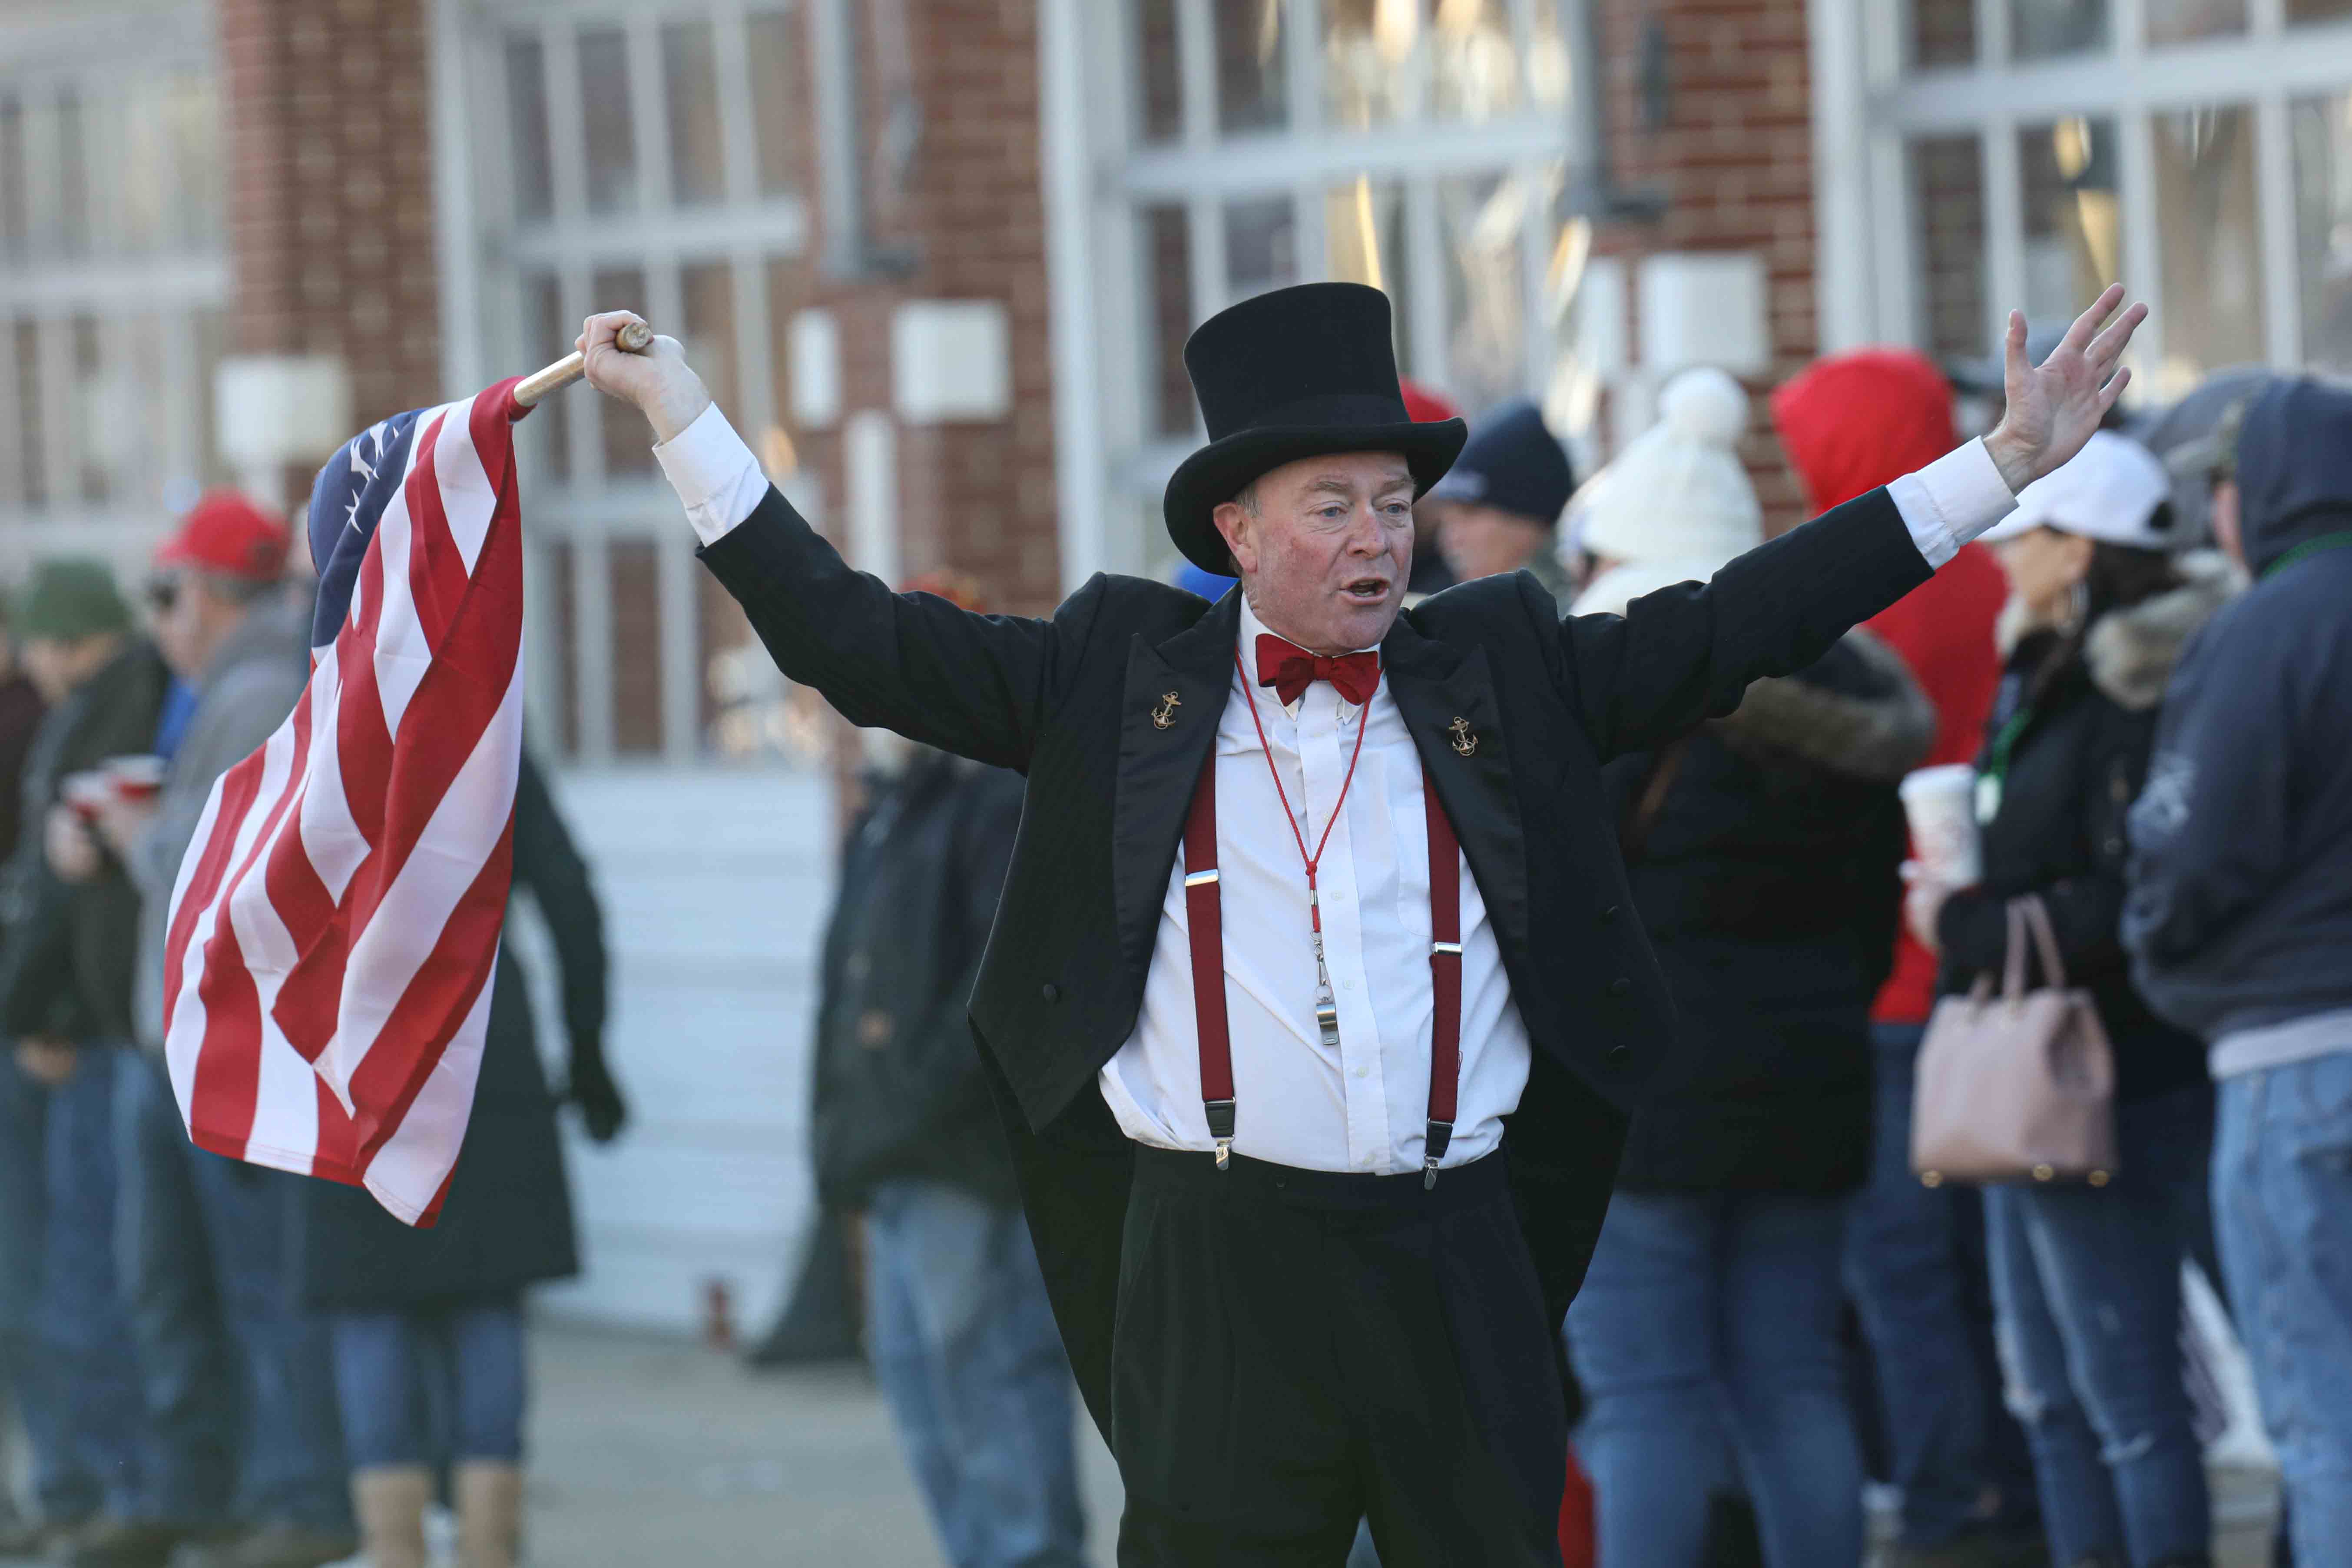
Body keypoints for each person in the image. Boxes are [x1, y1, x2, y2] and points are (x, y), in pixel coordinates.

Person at [584, 279, 2142, 1566]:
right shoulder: (1116, 677)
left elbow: (1746, 617)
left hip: (1459, 1243)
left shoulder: (1503, 667)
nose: (1379, 539)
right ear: (1241, 533)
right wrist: (685, 422)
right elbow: (851, 639)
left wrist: (1998, 461)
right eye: (1331, 505)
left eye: (1396, 502)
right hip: (1213, 1255)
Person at [1562, 368, 1934, 1568]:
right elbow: (1878, 926)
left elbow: (1556, 925)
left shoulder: (1620, 720)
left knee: (1644, 1397)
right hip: (1813, 1094)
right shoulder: (1850, 725)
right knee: (1790, 1382)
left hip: (1638, 1115)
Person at [1905, 431, 2232, 1568]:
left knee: (2124, 1395)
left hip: (2114, 1069)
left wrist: (1963, 926)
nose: (1999, 560)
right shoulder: (2035, 664)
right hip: (2029, 1064)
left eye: (2026, 536)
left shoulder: (2139, 679)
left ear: (2082, 549)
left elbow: (2130, 885)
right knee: (2046, 1389)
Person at [1773, 347, 2042, 1566]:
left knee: (1901, 1276)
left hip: (1888, 980)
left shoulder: (1860, 602)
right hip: (2002, 968)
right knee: (2011, 1269)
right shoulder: (1996, 581)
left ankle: (1944, 1507)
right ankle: (2031, 1485)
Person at [68, 497, 354, 1568]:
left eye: (168, 596)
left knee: (249, 1282)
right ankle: (222, 1487)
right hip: (186, 1042)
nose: (162, 623)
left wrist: (136, 834)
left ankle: (293, 1494)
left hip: (226, 1044)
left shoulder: (259, 687)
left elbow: (218, 870)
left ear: (205, 595)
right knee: (179, 1280)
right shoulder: (224, 690)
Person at [290, 748, 623, 1568]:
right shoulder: (490, 738)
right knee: (485, 1296)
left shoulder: (326, 734)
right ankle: (488, 1549)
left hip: (349, 1049)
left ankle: (394, 1549)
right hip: (482, 1043)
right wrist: (586, 1049)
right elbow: (573, 901)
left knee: (372, 1307)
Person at [812, 574, 1086, 1566]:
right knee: (925, 1401)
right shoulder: (891, 809)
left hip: (966, 1163)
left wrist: (916, 1101)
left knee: (993, 1387)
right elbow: (841, 996)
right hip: (893, 1160)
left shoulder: (998, 797)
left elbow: (998, 986)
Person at [2123, 376, 2352, 1565]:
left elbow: (2189, 843)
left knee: (2326, 1414)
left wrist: (2152, 945)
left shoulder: (2258, 633)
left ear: (2248, 499)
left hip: (2295, 1060)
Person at [0, 560, 166, 1559]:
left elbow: (67, 903)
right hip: (77, 1023)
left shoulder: (82, 713)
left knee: (78, 1273)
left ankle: (95, 1480)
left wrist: (41, 1009)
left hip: (77, 1035)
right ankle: (80, 1478)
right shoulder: (94, 707)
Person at [1420, 399, 1578, 603]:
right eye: (1447, 520)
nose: (1449, 539)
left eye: (1469, 513)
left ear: (1529, 517)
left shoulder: (1581, 617)